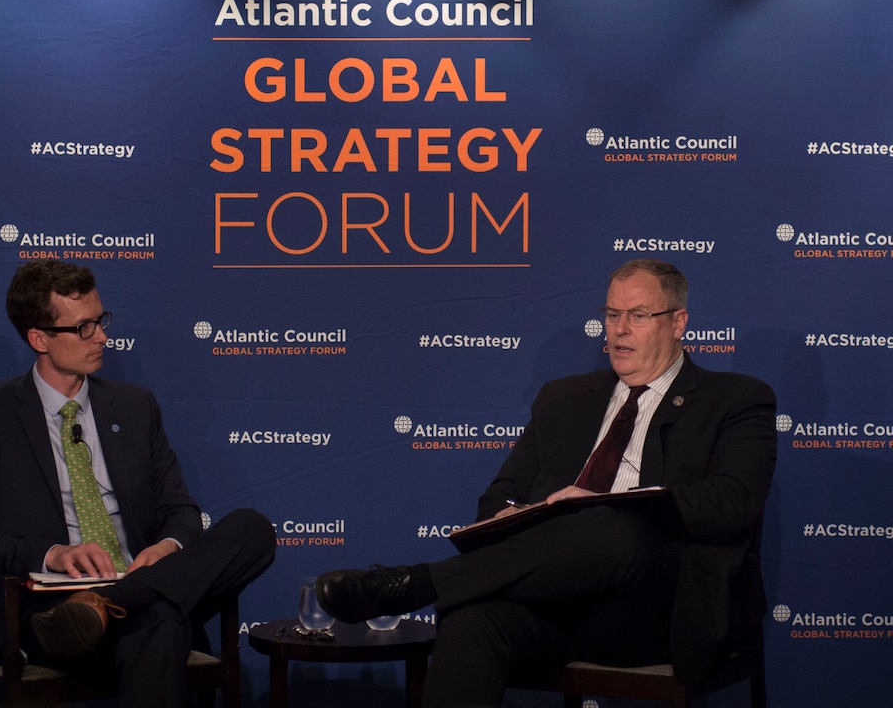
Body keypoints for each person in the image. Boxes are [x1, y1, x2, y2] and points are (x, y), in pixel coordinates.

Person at [317, 259, 776, 707]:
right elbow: (503, 492)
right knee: (472, 617)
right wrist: (510, 516)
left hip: (656, 611)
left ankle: (416, 585)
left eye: (637, 316)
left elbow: (734, 502)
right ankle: (437, 589)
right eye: (611, 315)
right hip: (554, 602)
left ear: (678, 323)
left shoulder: (735, 399)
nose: (618, 330)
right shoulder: (565, 398)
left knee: (609, 522)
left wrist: (613, 504)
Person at [0, 260, 276, 708]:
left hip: (136, 579)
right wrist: (53, 554)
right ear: (38, 338)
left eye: (101, 321)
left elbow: (180, 510)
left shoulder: (135, 407)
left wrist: (168, 547)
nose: (102, 337)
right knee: (160, 621)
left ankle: (118, 600)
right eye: (83, 328)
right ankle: (123, 602)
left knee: (253, 528)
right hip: (49, 610)